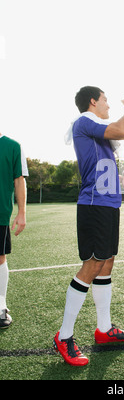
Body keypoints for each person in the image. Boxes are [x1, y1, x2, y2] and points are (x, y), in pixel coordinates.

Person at [54, 86, 124, 366]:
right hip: (94, 204)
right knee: (93, 264)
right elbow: (122, 130)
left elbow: (107, 158)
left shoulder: (97, 127)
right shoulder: (85, 121)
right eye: (105, 100)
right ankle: (64, 336)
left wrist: (122, 181)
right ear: (93, 101)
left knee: (106, 262)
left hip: (108, 203)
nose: (108, 106)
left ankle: (104, 329)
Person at [0, 133, 28, 329]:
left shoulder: (12, 146)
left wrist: (22, 212)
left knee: (0, 258)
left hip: (0, 212)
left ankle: (0, 307)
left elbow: (19, 180)